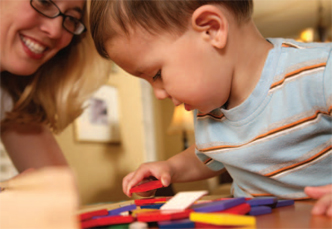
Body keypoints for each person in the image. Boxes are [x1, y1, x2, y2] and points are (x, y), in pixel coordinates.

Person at [89, 0, 332, 216]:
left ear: (211, 28)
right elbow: (208, 155)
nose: (158, 94)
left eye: (157, 74)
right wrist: (170, 168)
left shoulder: (319, 71)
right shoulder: (210, 108)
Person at [0, 0, 109, 174]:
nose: (55, 31)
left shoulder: (12, 96)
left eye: (72, 18)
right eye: (44, 2)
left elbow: (58, 192)